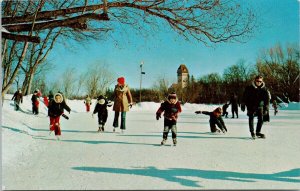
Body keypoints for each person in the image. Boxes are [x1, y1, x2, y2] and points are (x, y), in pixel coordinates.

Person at [241, 75, 270, 139]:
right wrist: (243, 104)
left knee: (261, 119)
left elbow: (267, 99)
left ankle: (258, 132)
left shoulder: (265, 89)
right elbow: (244, 96)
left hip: (260, 106)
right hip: (251, 106)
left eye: (260, 81)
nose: (259, 82)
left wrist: (266, 108)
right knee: (251, 118)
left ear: (262, 81)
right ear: (255, 81)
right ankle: (252, 132)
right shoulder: (249, 88)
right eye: (257, 81)